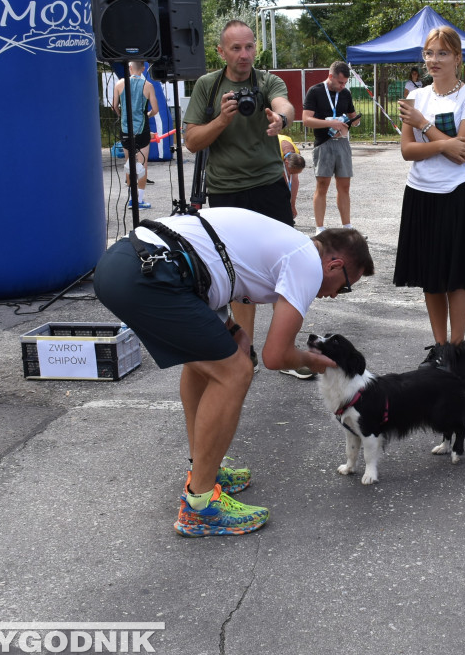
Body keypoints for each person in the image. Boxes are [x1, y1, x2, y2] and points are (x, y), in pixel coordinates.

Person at [92, 208, 374, 536]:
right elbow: (276, 356)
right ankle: (200, 506)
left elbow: (211, 265)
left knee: (209, 363)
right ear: (335, 265)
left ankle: (204, 470)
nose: (335, 294)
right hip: (151, 272)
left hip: (130, 262)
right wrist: (312, 361)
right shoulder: (307, 263)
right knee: (235, 371)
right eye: (345, 287)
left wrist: (230, 327)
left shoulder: (287, 245)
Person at [183, 20, 296, 369]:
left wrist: (280, 119)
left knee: (285, 269)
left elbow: (285, 104)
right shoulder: (207, 85)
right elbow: (191, 142)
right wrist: (221, 119)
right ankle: (244, 353)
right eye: (236, 48)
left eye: (249, 47)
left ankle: (283, 351)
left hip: (268, 185)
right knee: (237, 275)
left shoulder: (265, 81)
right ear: (221, 52)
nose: (244, 54)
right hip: (227, 191)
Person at [395, 26, 465, 368]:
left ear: (458, 58)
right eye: (429, 53)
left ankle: (457, 350)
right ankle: (438, 347)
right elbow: (407, 150)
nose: (434, 60)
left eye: (442, 53)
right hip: (420, 193)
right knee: (430, 278)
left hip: (457, 194)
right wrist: (443, 143)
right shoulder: (416, 96)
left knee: (455, 277)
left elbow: (462, 153)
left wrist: (426, 127)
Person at [303, 61, 360, 234]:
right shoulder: (315, 91)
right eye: (340, 83)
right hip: (323, 144)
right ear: (330, 77)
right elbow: (306, 119)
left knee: (344, 187)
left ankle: (347, 227)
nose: (343, 86)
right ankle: (320, 228)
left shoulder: (345, 94)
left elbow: (353, 117)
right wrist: (330, 123)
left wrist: (354, 121)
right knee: (322, 186)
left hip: (342, 143)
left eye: (345, 83)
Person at [112, 61, 159, 208]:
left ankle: (131, 199)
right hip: (142, 130)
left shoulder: (119, 84)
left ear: (129, 68)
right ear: (143, 68)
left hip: (125, 129)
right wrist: (147, 115)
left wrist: (122, 115)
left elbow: (114, 106)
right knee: (142, 165)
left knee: (129, 163)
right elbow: (155, 110)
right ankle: (139, 200)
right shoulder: (148, 85)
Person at [277, 133, 306, 220]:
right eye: (291, 172)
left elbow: (294, 181)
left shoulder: (296, 154)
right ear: (286, 163)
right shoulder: (276, 153)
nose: (292, 175)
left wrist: (292, 205)